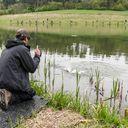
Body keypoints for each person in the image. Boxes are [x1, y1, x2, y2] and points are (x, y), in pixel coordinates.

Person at [0, 28, 41, 110]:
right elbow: (32, 68)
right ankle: (8, 96)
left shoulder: (5, 49)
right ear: (25, 38)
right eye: (28, 39)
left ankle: (5, 93)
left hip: (2, 83)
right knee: (30, 94)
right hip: (11, 84)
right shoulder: (22, 49)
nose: (28, 41)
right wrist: (37, 56)